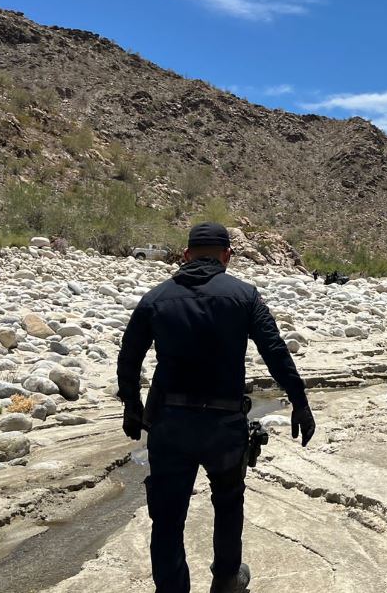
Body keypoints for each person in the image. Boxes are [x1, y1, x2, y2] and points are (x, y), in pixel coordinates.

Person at [117, 222, 317, 593]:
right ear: (226, 256)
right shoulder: (244, 296)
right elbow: (275, 350)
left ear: (186, 254)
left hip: (170, 424)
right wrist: (299, 402)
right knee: (228, 501)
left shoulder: (156, 298)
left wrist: (131, 405)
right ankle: (226, 579)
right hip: (224, 424)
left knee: (167, 516)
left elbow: (129, 357)